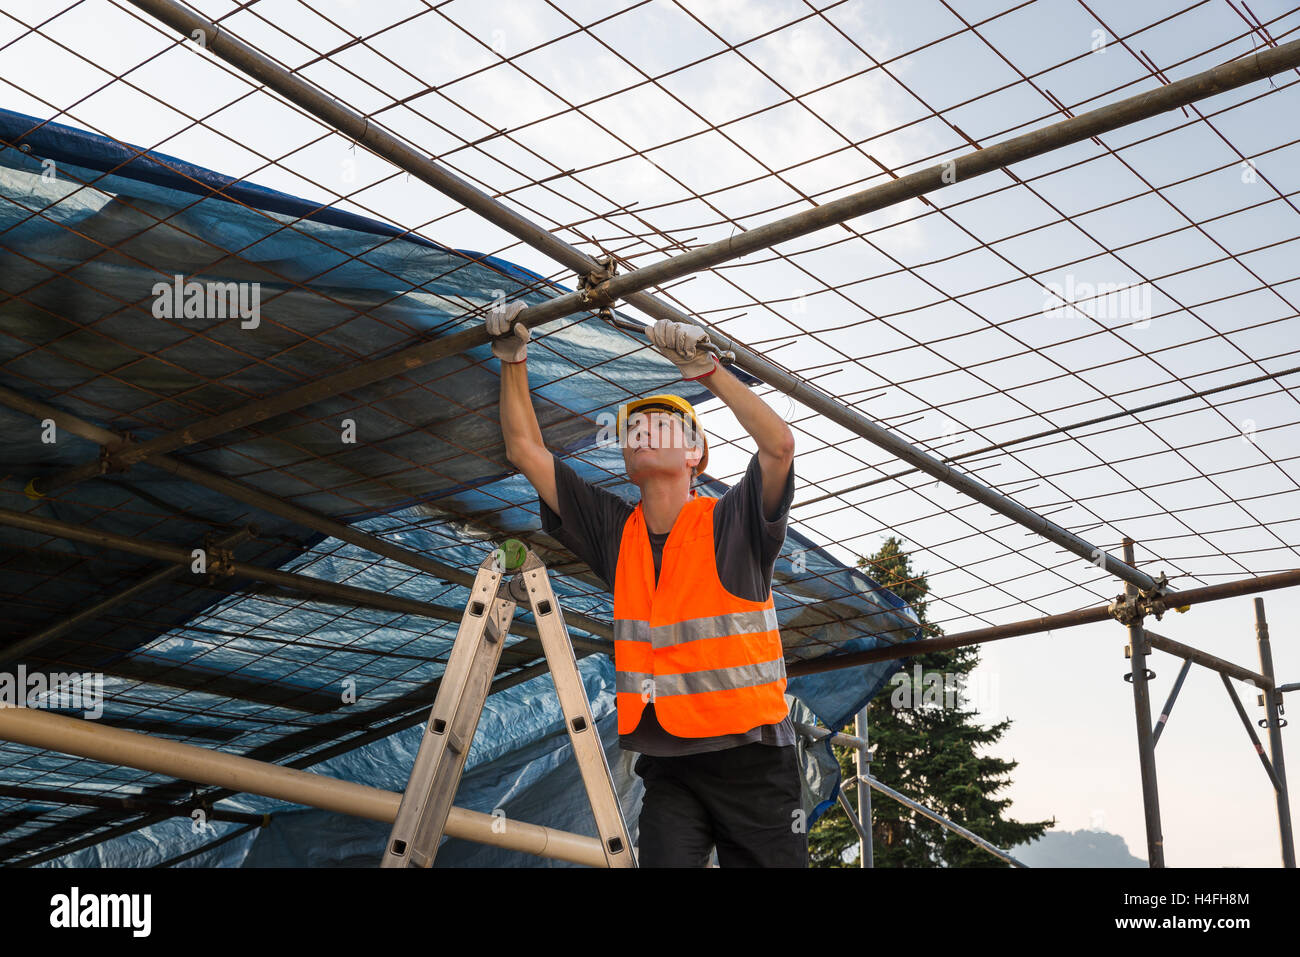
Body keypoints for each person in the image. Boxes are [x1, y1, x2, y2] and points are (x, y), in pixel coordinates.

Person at [488, 299, 806, 868]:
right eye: (636, 427)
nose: (645, 431)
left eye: (665, 424)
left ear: (696, 455)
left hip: (752, 761)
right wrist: (513, 359)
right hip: (669, 763)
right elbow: (525, 451)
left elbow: (778, 445)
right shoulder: (617, 531)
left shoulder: (732, 522)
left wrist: (708, 372)